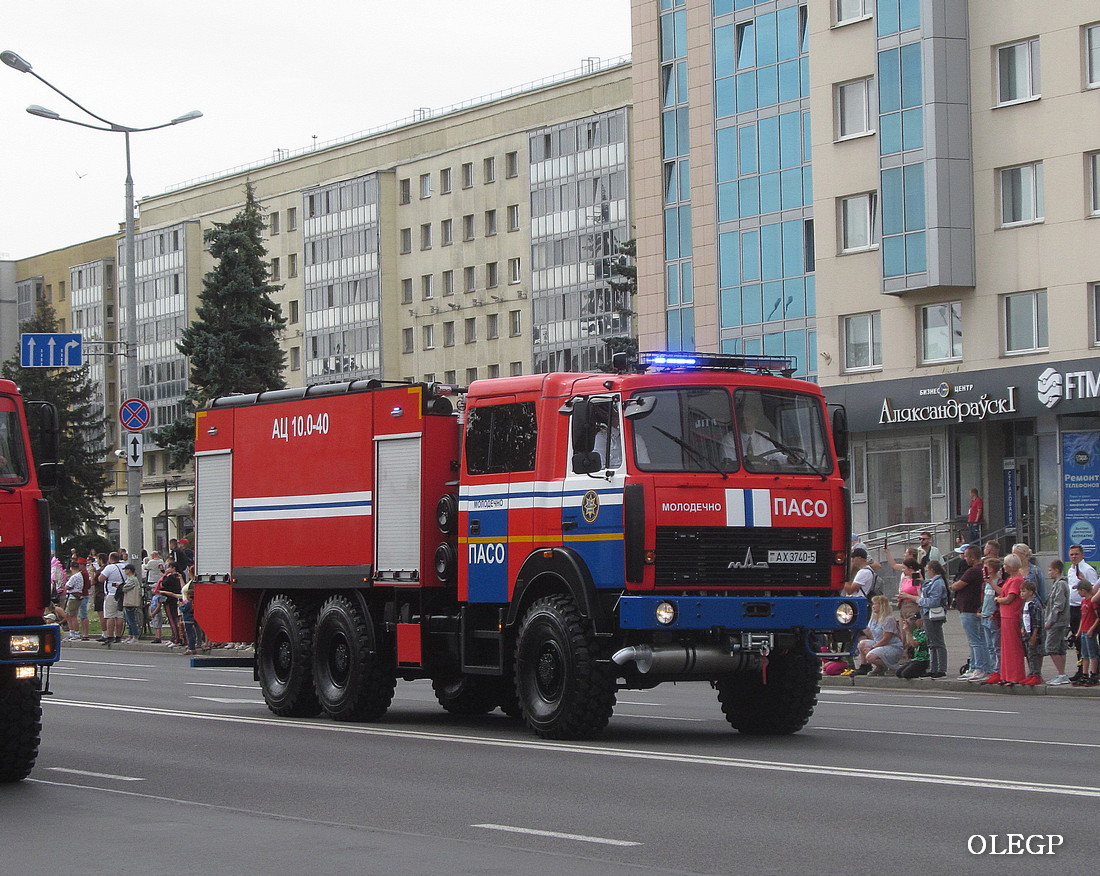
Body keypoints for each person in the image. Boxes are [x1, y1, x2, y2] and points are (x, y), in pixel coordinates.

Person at [951, 545, 990, 681]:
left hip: (969, 609)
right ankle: (974, 666)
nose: (965, 559)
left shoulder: (973, 571)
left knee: (976, 641)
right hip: (972, 609)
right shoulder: (980, 570)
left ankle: (980, 668)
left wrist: (953, 584)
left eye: (967, 556)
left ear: (973, 557)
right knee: (976, 640)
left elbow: (956, 585)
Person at [991, 553, 1026, 686]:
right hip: (1005, 615)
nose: (1004, 567)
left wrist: (997, 600)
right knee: (1005, 647)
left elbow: (1009, 598)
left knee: (1013, 647)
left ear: (1011, 566)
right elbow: (1003, 592)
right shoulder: (1010, 579)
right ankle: (1006, 674)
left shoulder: (1017, 580)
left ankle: (1015, 676)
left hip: (1012, 615)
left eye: (1006, 564)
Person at [1066, 545, 1098, 676]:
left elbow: (1094, 590)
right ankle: (1081, 668)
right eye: (1072, 554)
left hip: (1086, 608)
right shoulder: (1070, 570)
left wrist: (1083, 580)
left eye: (1076, 554)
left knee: (1088, 640)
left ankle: (1094, 670)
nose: (1074, 556)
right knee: (1077, 639)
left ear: (1082, 555)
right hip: (1073, 606)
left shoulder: (1088, 569)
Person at [854, 595, 905, 675]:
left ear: (882, 606)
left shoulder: (889, 619)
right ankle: (864, 666)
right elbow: (870, 634)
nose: (873, 606)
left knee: (870, 656)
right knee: (862, 644)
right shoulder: (873, 619)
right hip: (879, 643)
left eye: (875, 604)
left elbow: (886, 639)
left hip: (891, 645)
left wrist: (872, 648)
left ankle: (889, 667)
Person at [918, 559, 949, 678]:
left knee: (937, 641)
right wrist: (922, 582)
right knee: (931, 642)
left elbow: (934, 601)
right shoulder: (933, 582)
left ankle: (941, 668)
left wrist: (919, 600)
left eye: (927, 570)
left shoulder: (938, 583)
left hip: (933, 614)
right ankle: (933, 667)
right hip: (927, 613)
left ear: (931, 570)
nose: (927, 572)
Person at [1044, 560, 1072, 685]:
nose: (1049, 572)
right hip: (1060, 622)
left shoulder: (1060, 585)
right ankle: (1061, 673)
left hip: (1057, 622)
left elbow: (1058, 605)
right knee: (1060, 648)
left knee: (1050, 647)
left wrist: (1050, 621)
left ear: (1057, 570)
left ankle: (1061, 674)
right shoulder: (1059, 584)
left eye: (1050, 570)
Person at [979, 556, 1003, 680]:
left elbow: (1001, 592)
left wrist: (991, 583)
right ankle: (994, 669)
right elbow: (984, 599)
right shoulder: (985, 584)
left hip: (993, 617)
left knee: (996, 645)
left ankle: (998, 670)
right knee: (989, 646)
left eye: (987, 568)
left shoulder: (998, 582)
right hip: (985, 615)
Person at [96, 551, 127, 645]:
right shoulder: (124, 566)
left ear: (111, 558)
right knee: (119, 616)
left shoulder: (109, 567)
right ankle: (118, 636)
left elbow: (101, 579)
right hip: (122, 594)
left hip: (111, 594)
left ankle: (110, 636)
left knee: (110, 616)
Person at [1072, 581, 1099, 686]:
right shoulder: (1083, 603)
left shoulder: (1093, 601)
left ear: (1083, 590)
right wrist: (1078, 632)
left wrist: (1092, 629)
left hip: (1089, 631)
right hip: (1083, 631)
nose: (1078, 593)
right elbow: (1082, 618)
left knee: (1092, 654)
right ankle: (1085, 674)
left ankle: (1094, 674)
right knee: (1084, 655)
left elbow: (1098, 617)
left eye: (1079, 590)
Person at [1020, 579, 1044, 685]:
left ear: (1031, 592)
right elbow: (1024, 618)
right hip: (1026, 632)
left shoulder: (1034, 605)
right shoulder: (1025, 605)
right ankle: (1032, 673)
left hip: (1033, 634)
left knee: (1034, 654)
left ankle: (1036, 675)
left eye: (1024, 591)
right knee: (1029, 654)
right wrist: (1023, 628)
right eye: (1021, 591)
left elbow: (1036, 622)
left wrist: (1034, 634)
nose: (1022, 594)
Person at [158, 561, 185, 647]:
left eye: (169, 567)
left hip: (170, 600)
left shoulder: (171, 577)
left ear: (173, 568)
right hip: (177, 599)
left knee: (172, 619)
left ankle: (176, 638)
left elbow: (163, 584)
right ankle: (178, 637)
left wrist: (165, 575)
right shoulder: (180, 576)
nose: (167, 569)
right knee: (177, 619)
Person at [896, 614, 930, 679]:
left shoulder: (925, 633)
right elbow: (909, 644)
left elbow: (915, 644)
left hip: (922, 660)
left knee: (906, 674)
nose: (914, 622)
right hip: (915, 659)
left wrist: (908, 631)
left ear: (921, 621)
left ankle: (921, 672)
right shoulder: (916, 631)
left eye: (916, 620)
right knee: (899, 673)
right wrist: (906, 630)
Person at [61, 561, 86, 642]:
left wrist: (66, 586)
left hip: (73, 598)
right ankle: (72, 633)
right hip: (73, 597)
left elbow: (67, 586)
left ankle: (76, 633)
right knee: (69, 615)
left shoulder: (74, 576)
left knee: (72, 616)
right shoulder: (79, 575)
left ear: (71, 568)